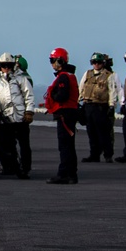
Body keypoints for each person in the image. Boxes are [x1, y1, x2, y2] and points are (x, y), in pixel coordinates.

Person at [0, 53, 36, 179]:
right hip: (5, 117)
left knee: (24, 146)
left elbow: (29, 96)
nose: (6, 68)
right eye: (4, 65)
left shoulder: (21, 78)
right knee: (7, 145)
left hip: (21, 117)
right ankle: (14, 167)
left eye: (9, 65)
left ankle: (25, 169)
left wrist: (29, 112)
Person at [44, 47, 80, 185]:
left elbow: (62, 96)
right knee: (69, 146)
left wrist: (53, 95)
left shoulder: (64, 77)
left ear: (60, 60)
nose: (52, 64)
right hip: (70, 113)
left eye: (53, 61)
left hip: (65, 113)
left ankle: (64, 173)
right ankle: (71, 174)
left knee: (65, 146)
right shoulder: (70, 75)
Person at [78, 52, 119, 163]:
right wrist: (78, 102)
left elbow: (112, 91)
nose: (96, 64)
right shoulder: (87, 74)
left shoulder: (108, 75)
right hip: (88, 106)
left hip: (101, 107)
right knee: (91, 132)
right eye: (94, 62)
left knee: (103, 133)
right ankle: (94, 154)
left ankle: (108, 155)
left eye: (98, 62)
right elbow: (81, 88)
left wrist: (111, 106)